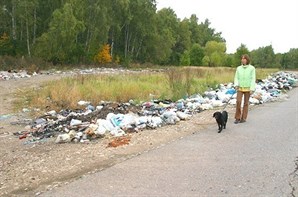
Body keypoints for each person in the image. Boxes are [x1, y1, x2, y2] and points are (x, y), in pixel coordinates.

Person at [233, 54, 256, 124]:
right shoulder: (238, 68)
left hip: (248, 88)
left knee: (246, 103)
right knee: (238, 102)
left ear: (247, 60)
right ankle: (237, 117)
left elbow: (253, 79)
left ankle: (244, 118)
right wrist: (236, 85)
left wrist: (252, 88)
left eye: (244, 59)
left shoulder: (252, 68)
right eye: (242, 59)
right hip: (240, 88)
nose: (243, 60)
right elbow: (236, 77)